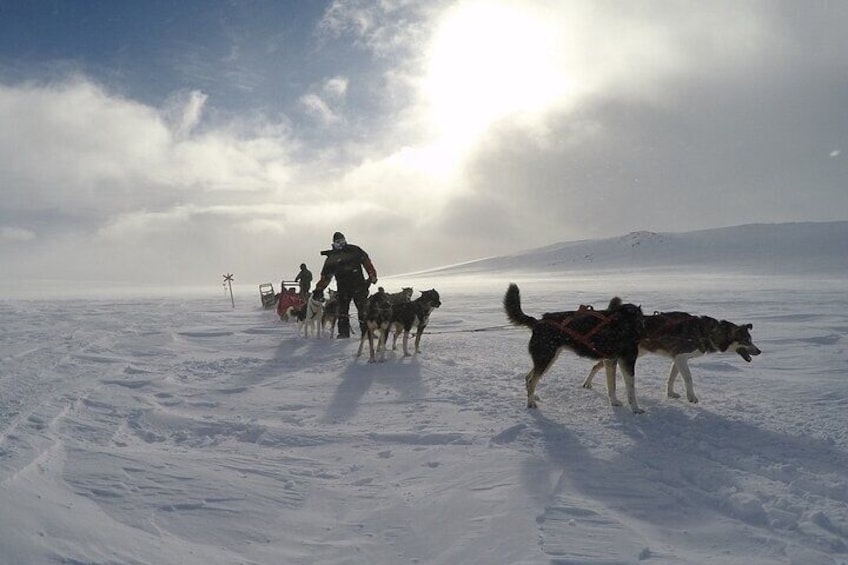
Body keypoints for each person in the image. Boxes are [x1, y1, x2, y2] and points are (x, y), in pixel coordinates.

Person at [313, 231, 377, 338]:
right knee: (342, 311)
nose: (340, 244)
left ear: (345, 240)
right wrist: (319, 289)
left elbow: (367, 262)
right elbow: (326, 277)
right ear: (334, 243)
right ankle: (343, 333)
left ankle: (367, 333)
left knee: (363, 310)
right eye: (338, 242)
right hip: (343, 288)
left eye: (342, 241)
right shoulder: (332, 258)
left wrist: (372, 275)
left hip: (359, 285)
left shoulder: (355, 250)